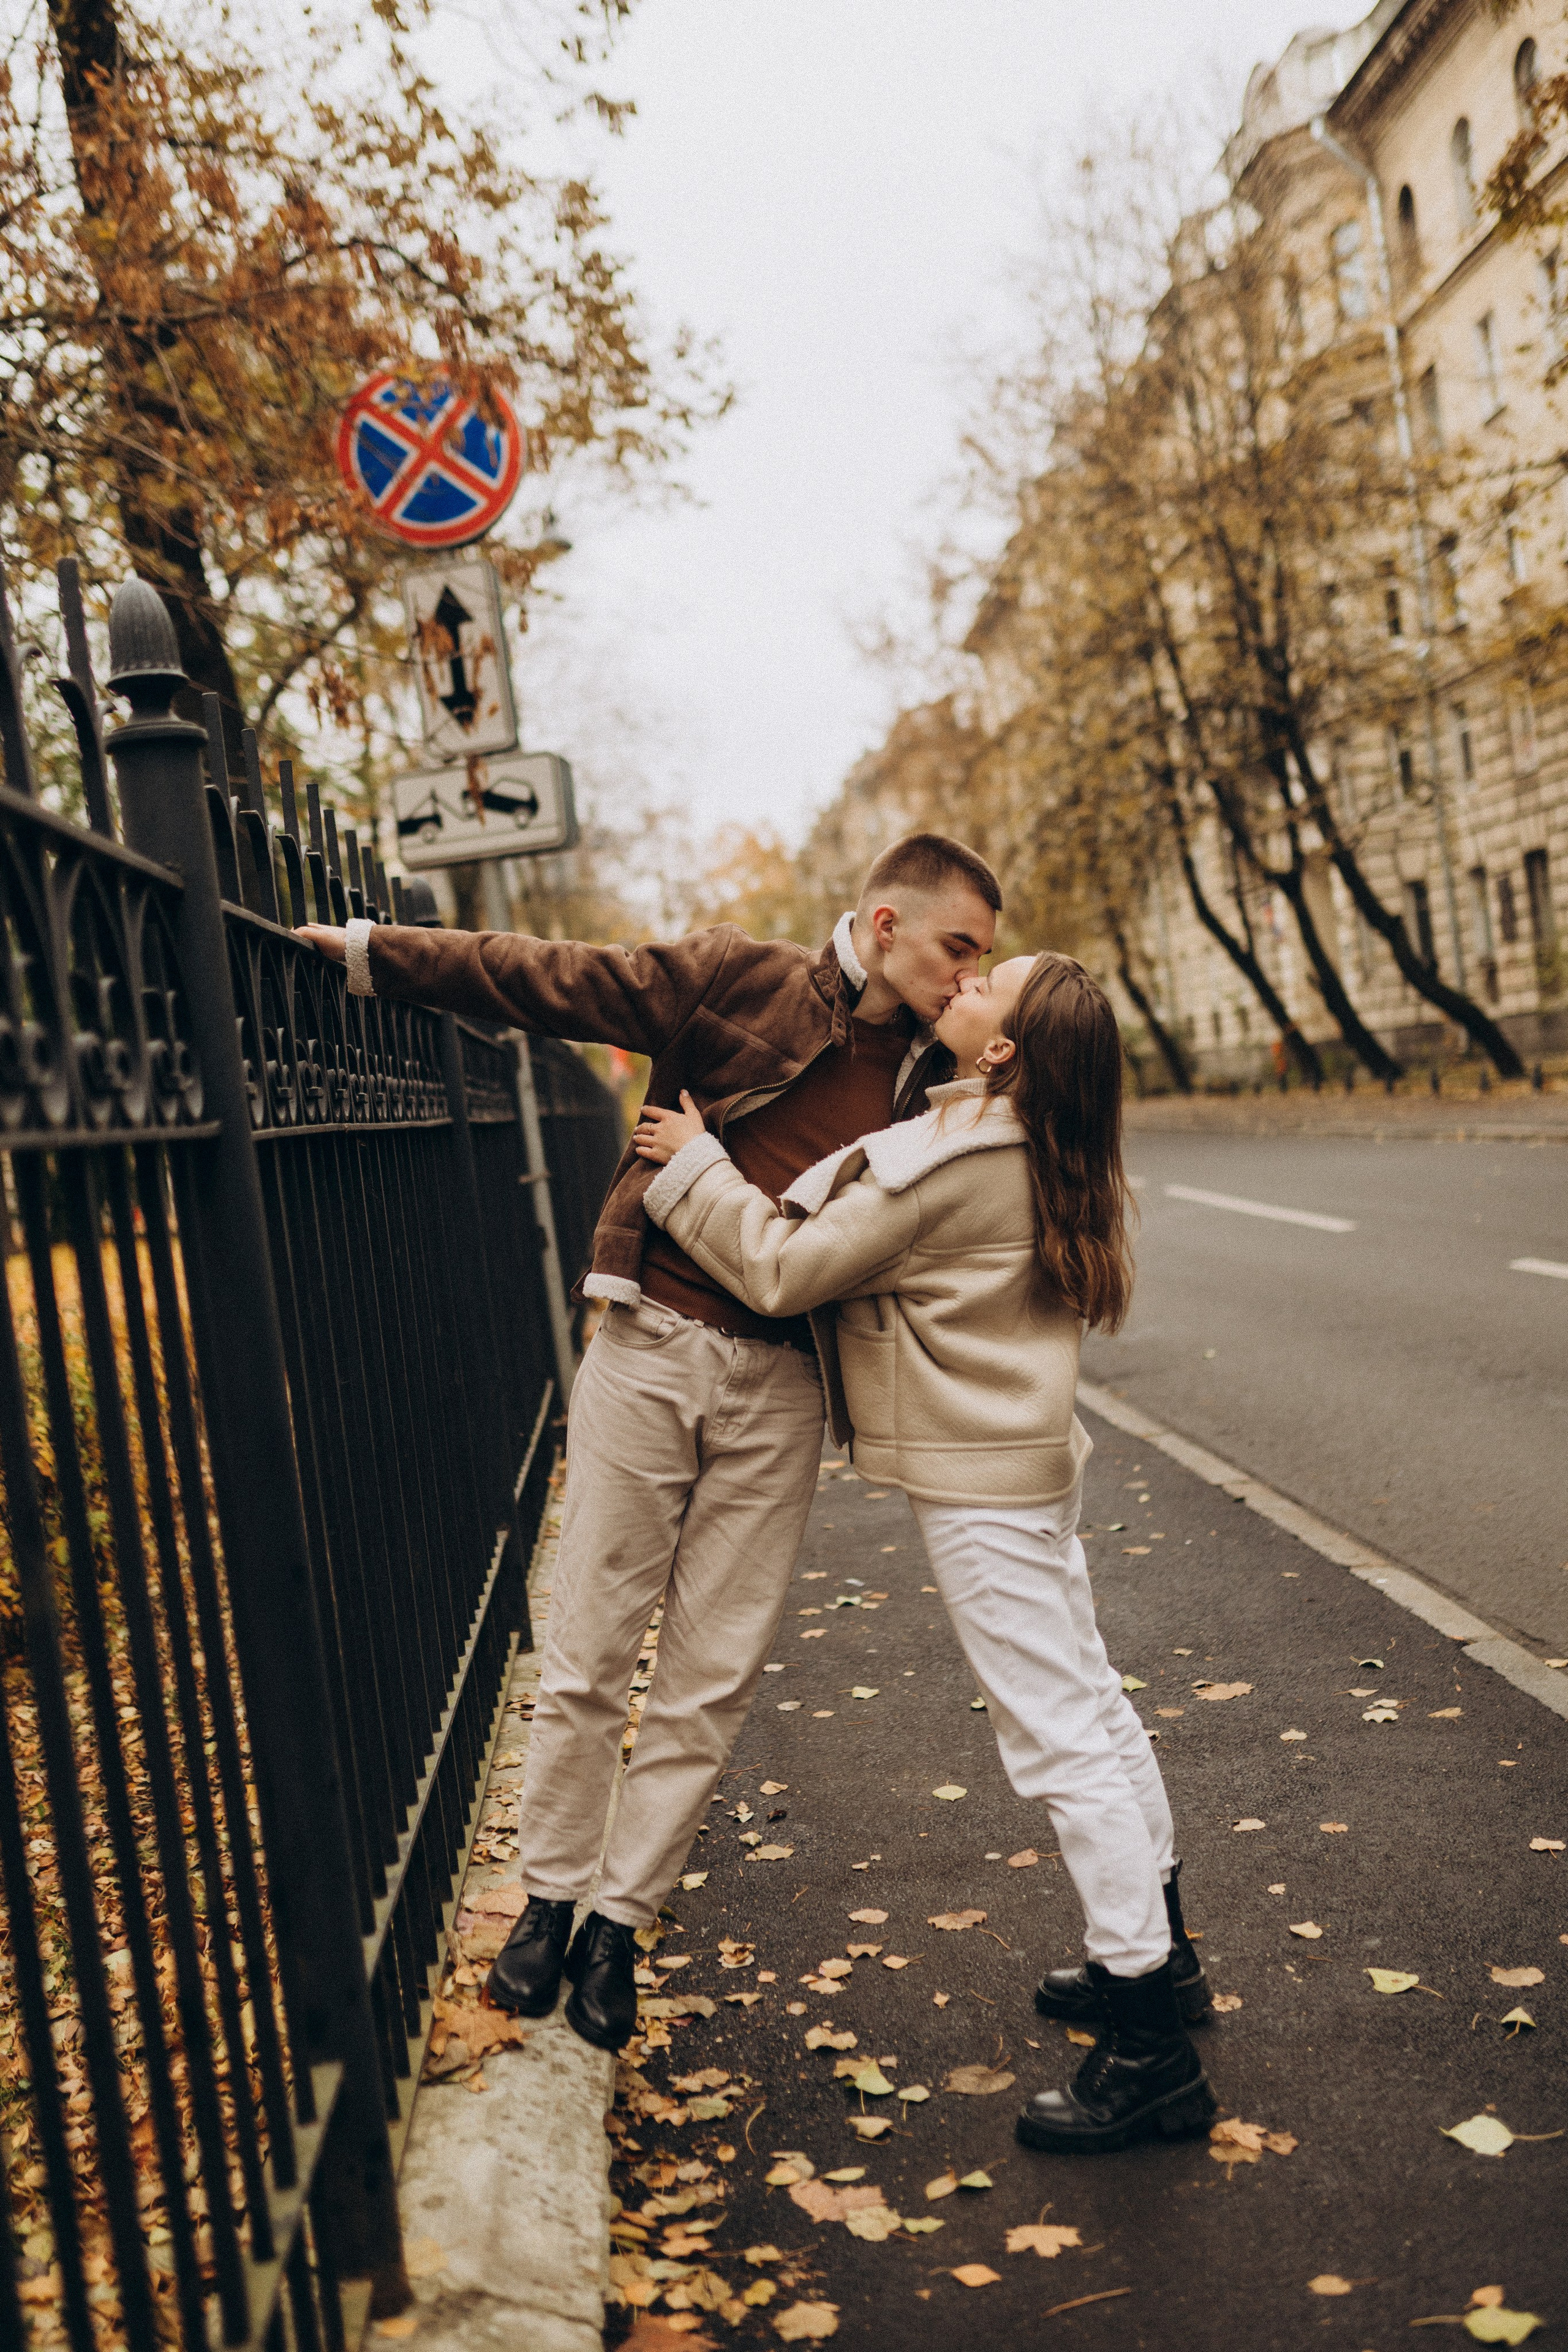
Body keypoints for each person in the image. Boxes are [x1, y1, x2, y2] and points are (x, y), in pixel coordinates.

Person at [295, 834, 1000, 2049]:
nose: (966, 977)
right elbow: (546, 974)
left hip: (785, 1388)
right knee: (585, 1650)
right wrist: (371, 955)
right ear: (884, 924)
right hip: (651, 1346)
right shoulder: (739, 979)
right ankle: (551, 1899)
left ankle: (620, 1923)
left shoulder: (930, 1078)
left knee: (706, 1678)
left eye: (980, 960)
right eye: (957, 947)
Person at [632, 951, 1217, 2155]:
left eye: (987, 980)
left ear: (1002, 1048)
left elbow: (784, 1267)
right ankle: (1158, 1965)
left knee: (1056, 1737)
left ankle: (1149, 2051)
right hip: (1027, 1457)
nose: (962, 980)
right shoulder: (1022, 1143)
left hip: (981, 1483)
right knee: (1090, 1706)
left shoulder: (956, 1158)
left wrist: (693, 1168)